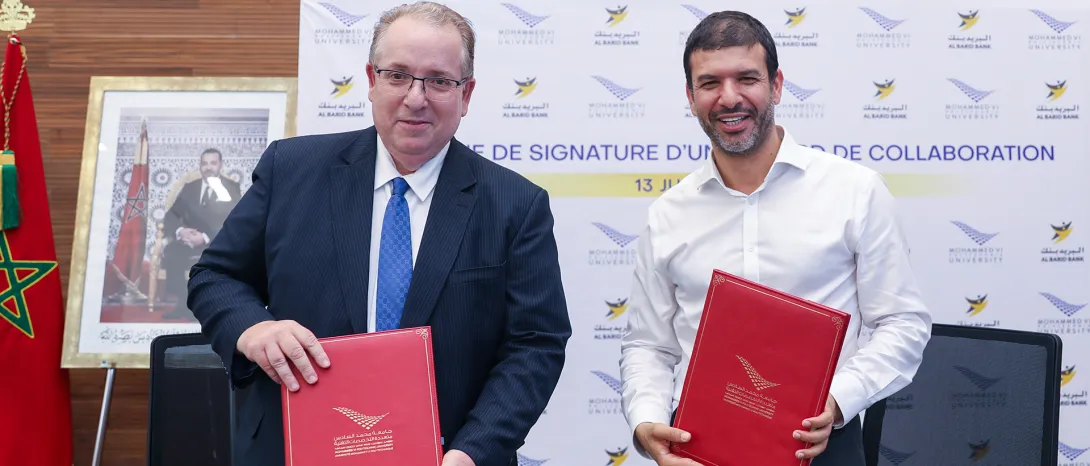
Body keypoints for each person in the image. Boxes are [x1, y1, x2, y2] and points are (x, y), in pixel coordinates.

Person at [186, 3, 571, 466]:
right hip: (294, 448)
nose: (415, 97)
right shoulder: (290, 170)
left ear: (466, 94)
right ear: (371, 80)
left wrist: (473, 450)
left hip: (448, 456)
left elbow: (535, 343)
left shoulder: (516, 204)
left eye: (439, 81)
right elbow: (215, 277)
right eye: (398, 75)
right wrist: (254, 328)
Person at [618, 11, 932, 466]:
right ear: (690, 96)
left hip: (823, 444)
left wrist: (836, 402)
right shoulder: (668, 213)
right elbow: (648, 344)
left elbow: (902, 323)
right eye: (710, 83)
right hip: (700, 446)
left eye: (747, 78)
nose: (729, 97)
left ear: (777, 85)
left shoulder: (855, 191)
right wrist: (646, 420)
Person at [161, 148, 241, 321]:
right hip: (189, 241)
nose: (208, 167)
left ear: (220, 165)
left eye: (213, 163)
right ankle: (183, 305)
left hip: (217, 242)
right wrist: (181, 231)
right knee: (172, 251)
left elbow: (234, 220)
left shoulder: (231, 188)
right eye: (204, 163)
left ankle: (208, 307)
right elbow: (171, 215)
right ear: (200, 166)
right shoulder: (190, 188)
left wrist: (204, 237)